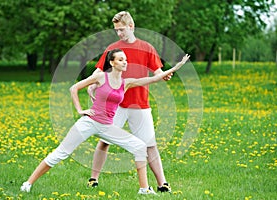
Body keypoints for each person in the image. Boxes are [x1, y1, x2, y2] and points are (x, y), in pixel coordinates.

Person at [20, 49, 190, 194]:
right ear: (112, 62)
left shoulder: (126, 83)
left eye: (126, 60)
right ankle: (28, 184)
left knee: (139, 147)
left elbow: (153, 79)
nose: (125, 62)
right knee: (61, 153)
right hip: (90, 122)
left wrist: (177, 67)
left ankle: (144, 189)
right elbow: (74, 88)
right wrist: (80, 110)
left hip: (107, 126)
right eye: (121, 60)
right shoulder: (101, 76)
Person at [87, 11, 173, 192]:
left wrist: (164, 76)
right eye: (116, 30)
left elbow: (157, 72)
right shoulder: (112, 48)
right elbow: (99, 71)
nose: (119, 33)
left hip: (140, 104)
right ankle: (93, 179)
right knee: (104, 140)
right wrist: (91, 83)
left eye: (122, 29)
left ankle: (162, 184)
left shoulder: (147, 48)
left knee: (150, 145)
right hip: (115, 104)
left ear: (131, 27)